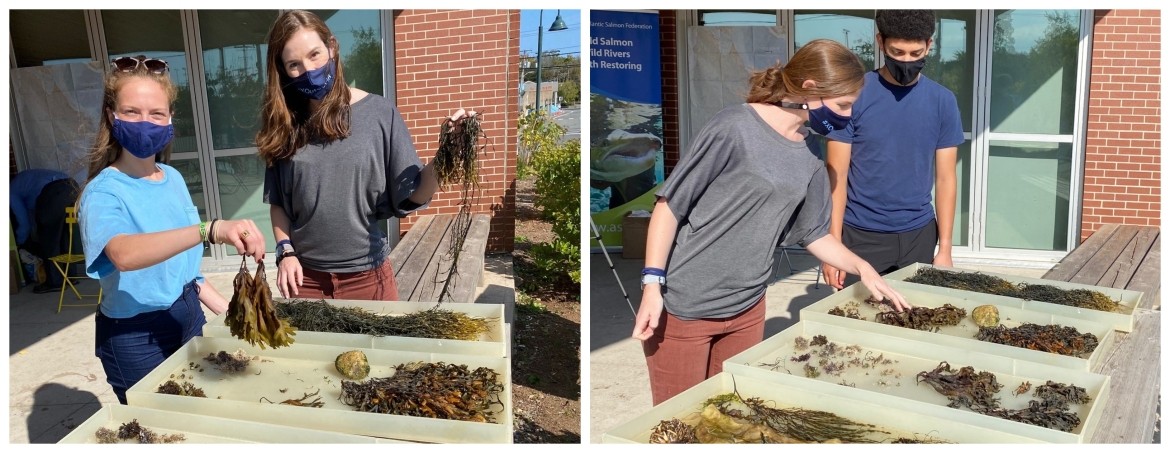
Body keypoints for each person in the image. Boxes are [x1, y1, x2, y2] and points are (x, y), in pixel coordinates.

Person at [632, 39, 911, 405]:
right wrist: (652, 285)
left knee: (727, 417)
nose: (847, 116)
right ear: (810, 89)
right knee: (676, 422)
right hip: (685, 307)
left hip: (748, 308)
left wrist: (863, 267)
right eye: (843, 105)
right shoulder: (734, 127)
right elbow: (670, 206)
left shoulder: (810, 152)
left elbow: (812, 233)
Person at [79, 55, 266, 404]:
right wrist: (209, 229)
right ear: (111, 116)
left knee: (200, 414)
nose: (144, 122)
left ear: (169, 121)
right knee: (156, 426)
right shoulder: (103, 192)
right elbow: (123, 254)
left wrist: (235, 316)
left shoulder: (174, 179)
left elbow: (186, 274)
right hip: (133, 336)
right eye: (131, 112)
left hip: (188, 318)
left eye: (156, 114)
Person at [257, 10, 460, 301]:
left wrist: (446, 156)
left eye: (315, 54)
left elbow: (414, 193)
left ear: (332, 47)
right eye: (294, 64)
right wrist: (284, 251)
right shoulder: (285, 126)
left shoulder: (380, 114)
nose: (308, 69)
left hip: (369, 280)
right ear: (282, 70)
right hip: (305, 282)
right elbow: (279, 205)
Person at [821, 10, 965, 290]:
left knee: (914, 321)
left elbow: (946, 178)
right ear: (880, 41)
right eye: (897, 52)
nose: (906, 61)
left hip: (920, 234)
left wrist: (945, 248)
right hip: (860, 235)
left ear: (929, 45)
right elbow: (835, 176)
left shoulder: (943, 101)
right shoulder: (854, 95)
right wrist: (833, 246)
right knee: (859, 325)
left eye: (915, 53)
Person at [10, 168, 81, 293]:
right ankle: (70, 276)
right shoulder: (25, 183)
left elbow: (24, 223)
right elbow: (32, 218)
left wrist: (20, 242)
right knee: (64, 234)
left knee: (48, 238)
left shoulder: (11, 191)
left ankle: (55, 282)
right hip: (72, 186)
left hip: (54, 192)